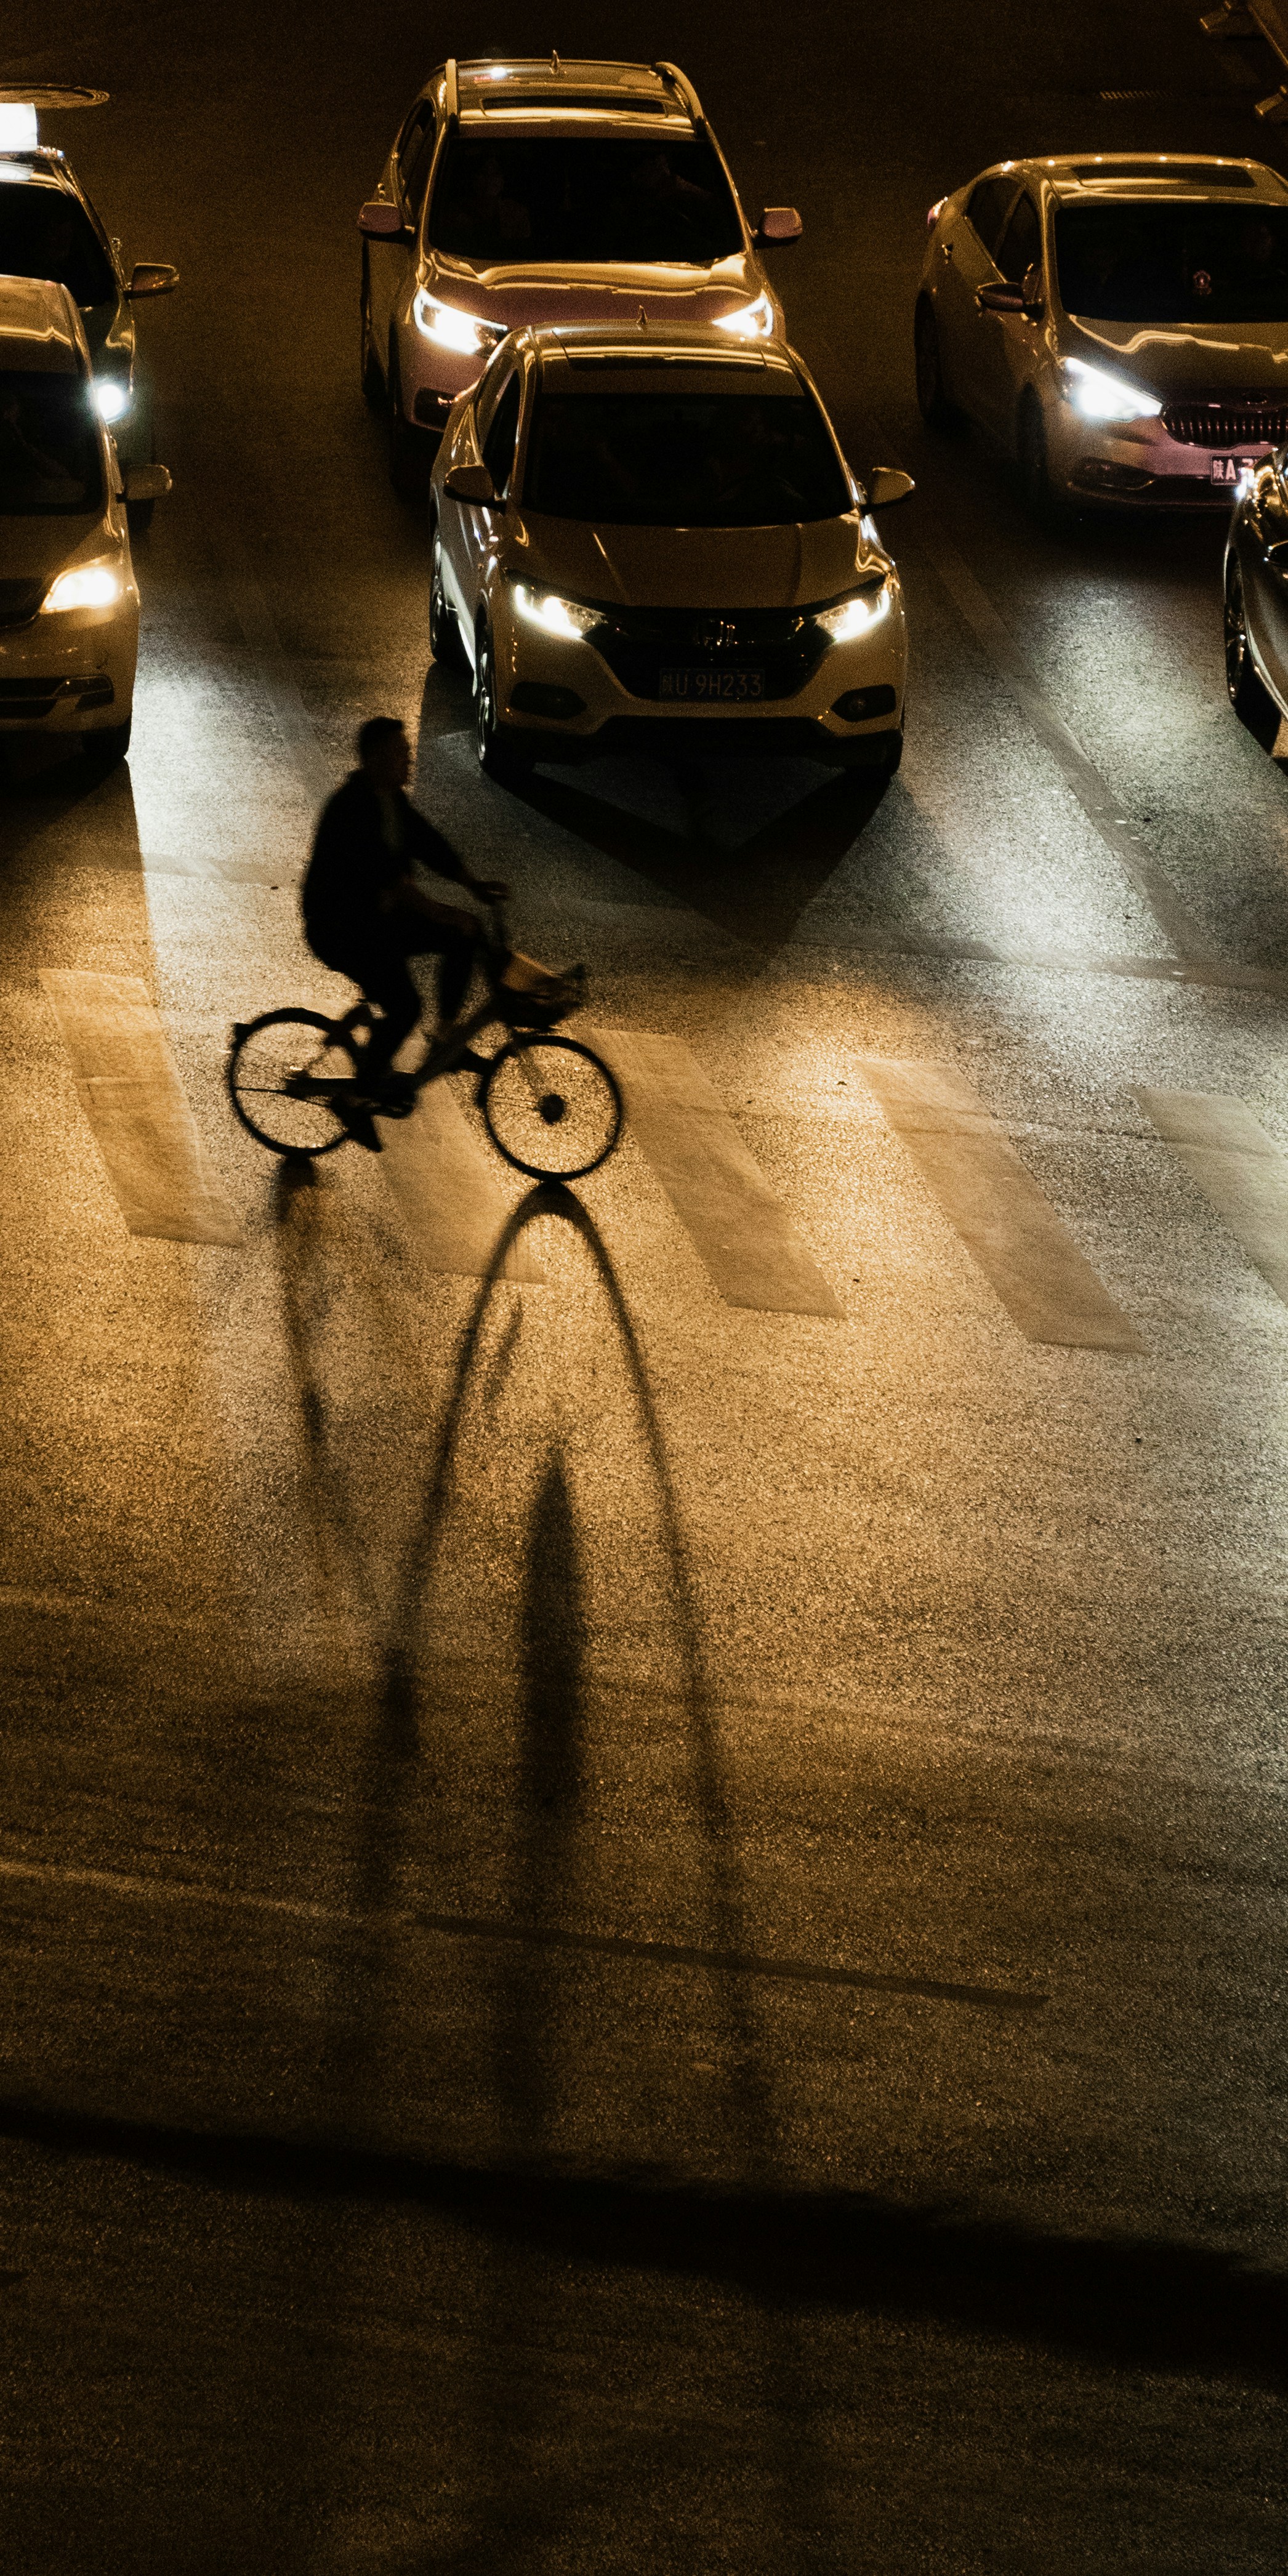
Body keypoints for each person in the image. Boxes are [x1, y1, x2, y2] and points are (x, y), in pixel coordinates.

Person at [302, 715, 507, 1098]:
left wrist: (472, 886)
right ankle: (359, 1097)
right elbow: (390, 877)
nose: (409, 759)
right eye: (401, 753)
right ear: (375, 758)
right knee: (405, 1008)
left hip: (376, 919)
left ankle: (446, 1040)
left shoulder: (392, 800)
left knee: (467, 934)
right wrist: (439, 911)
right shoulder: (352, 808)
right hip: (341, 929)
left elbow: (430, 845)